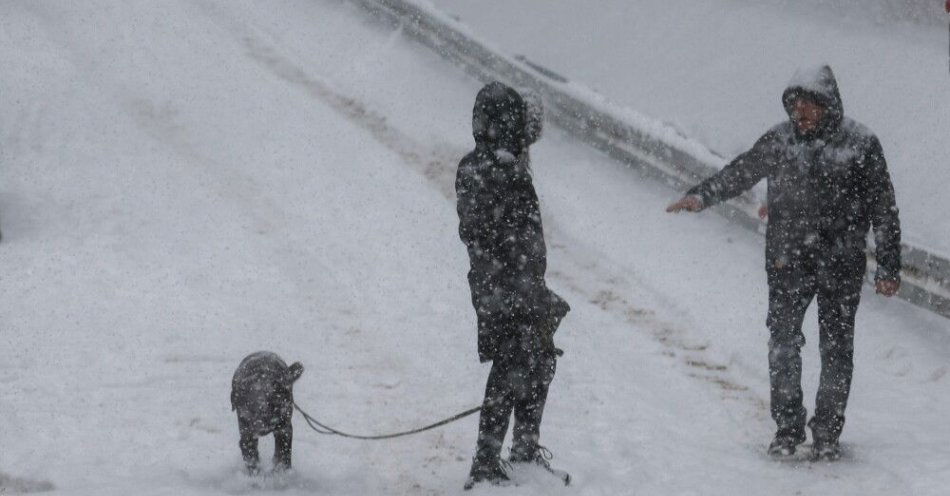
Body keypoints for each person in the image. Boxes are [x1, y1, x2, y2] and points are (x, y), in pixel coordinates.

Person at [666, 65, 901, 461]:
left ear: (829, 106)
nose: (801, 115)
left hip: (841, 264)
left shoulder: (860, 144)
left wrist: (889, 266)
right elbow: (742, 171)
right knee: (783, 344)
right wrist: (701, 196)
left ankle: (827, 432)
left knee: (837, 348)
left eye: (809, 106)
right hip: (787, 260)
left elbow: (884, 206)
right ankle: (787, 428)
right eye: (795, 106)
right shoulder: (780, 140)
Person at [456, 82, 570, 489]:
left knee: (541, 362)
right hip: (500, 287)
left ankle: (524, 449)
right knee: (511, 366)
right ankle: (485, 463)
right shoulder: (481, 167)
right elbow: (480, 231)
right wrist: (514, 284)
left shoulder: (509, 165)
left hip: (523, 284)